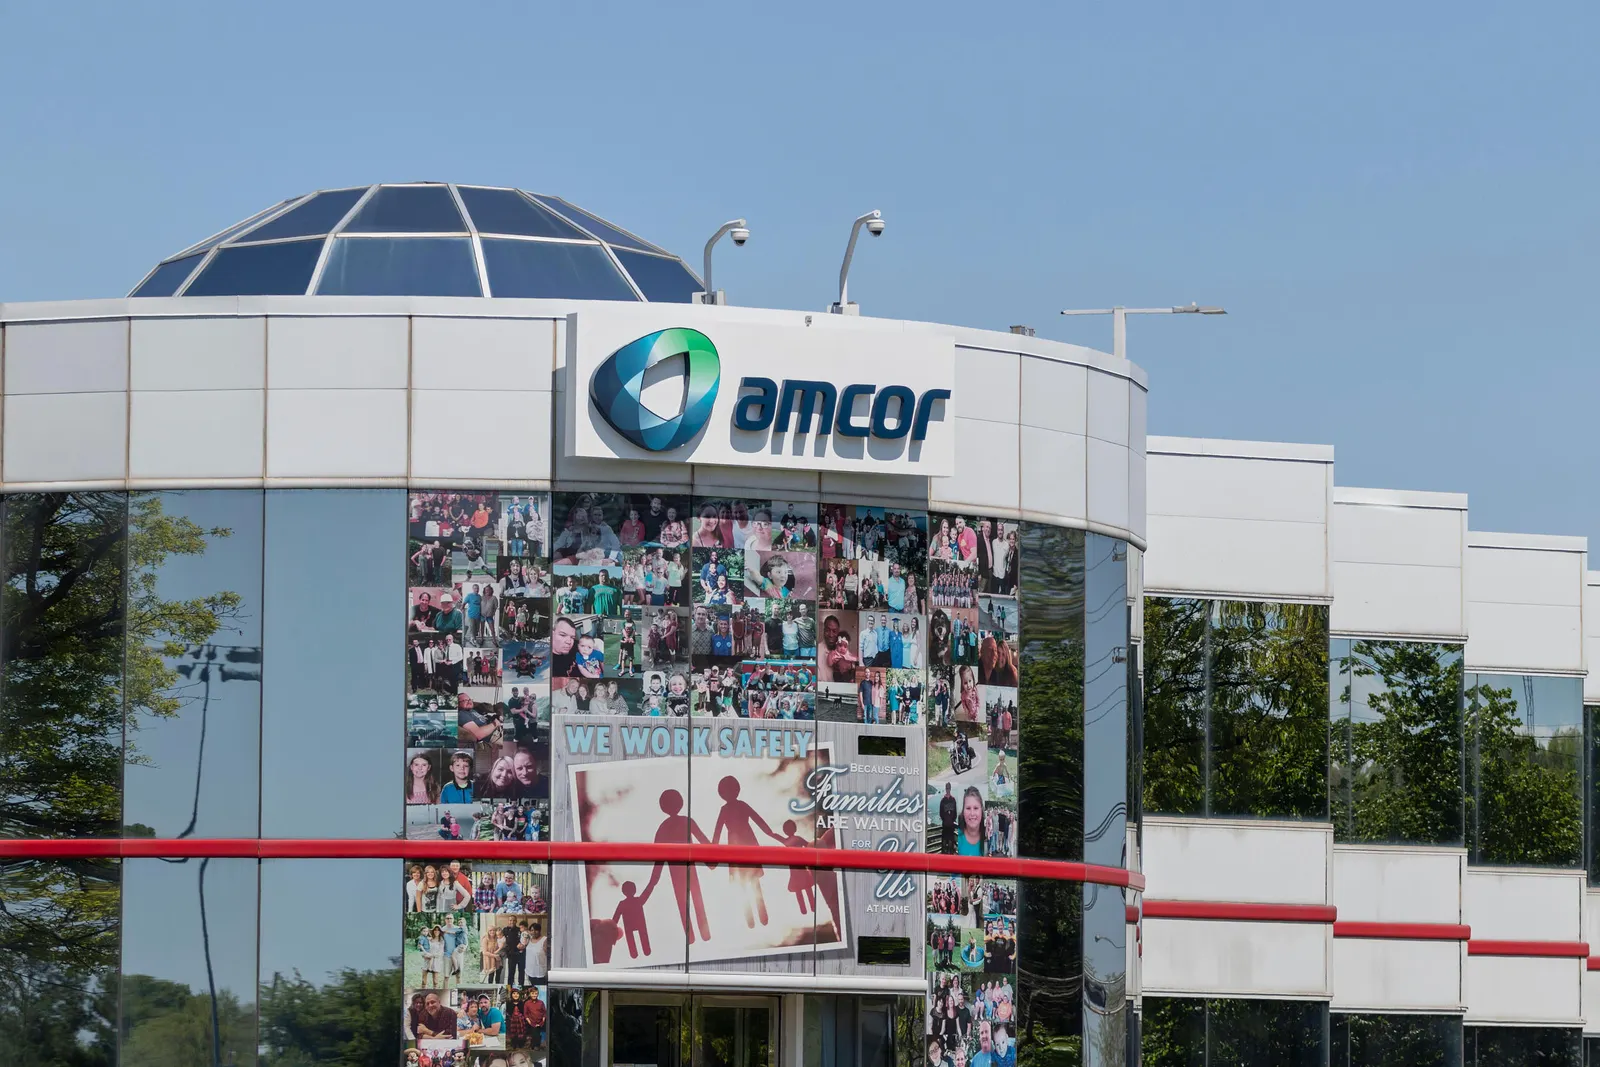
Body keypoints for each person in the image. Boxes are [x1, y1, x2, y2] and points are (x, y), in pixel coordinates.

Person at [955, 786, 985, 856]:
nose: (972, 813)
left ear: (981, 810)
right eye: (968, 808)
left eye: (976, 808)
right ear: (963, 811)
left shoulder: (989, 835)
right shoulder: (956, 835)